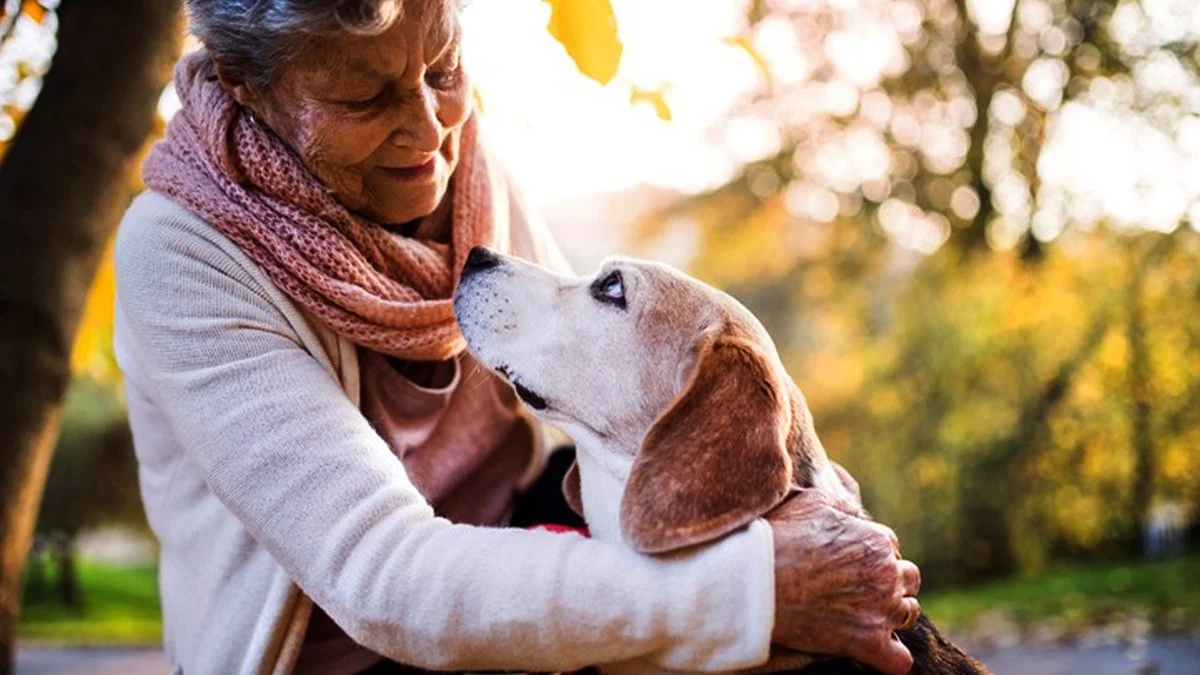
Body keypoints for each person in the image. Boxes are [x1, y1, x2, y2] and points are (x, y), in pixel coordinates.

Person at [112, 1, 922, 673]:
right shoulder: (179, 254)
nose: (430, 130)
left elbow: (596, 386)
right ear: (244, 85)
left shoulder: (466, 161)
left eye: (443, 68)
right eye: (366, 99)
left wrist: (814, 517)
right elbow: (382, 577)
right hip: (352, 646)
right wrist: (752, 587)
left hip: (525, 522)